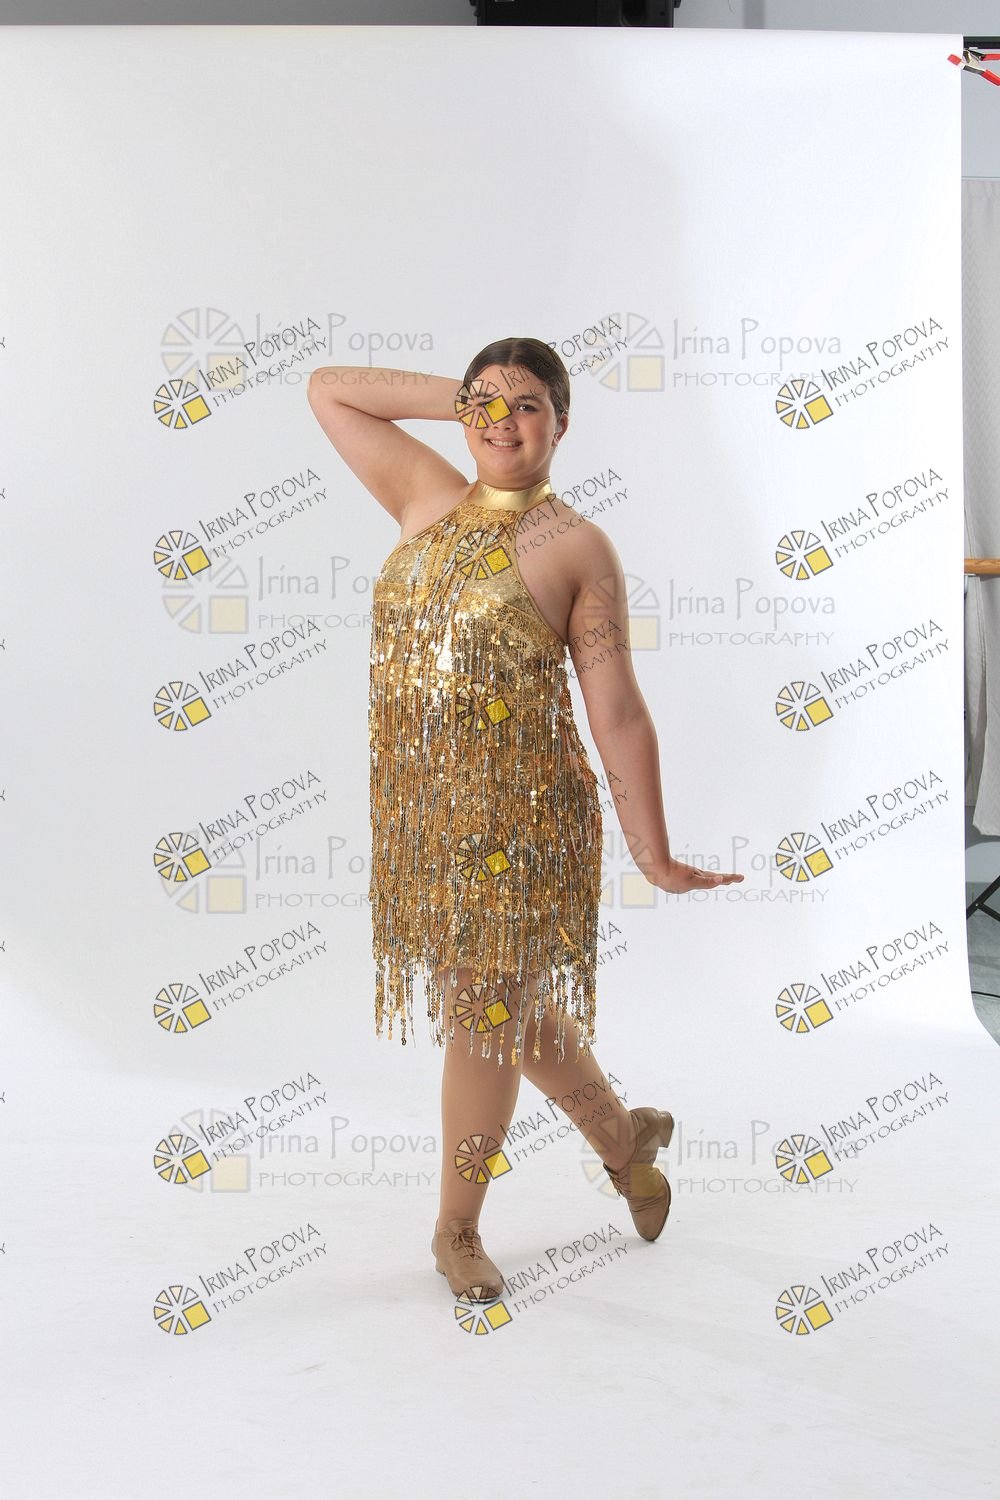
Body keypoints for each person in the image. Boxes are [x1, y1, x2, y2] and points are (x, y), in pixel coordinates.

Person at [307, 337, 742, 1303]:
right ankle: (625, 1141)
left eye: (528, 405)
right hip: (423, 814)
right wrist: (466, 398)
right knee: (505, 1010)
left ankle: (456, 1228)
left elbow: (617, 712)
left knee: (484, 1010)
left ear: (563, 423)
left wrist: (655, 852)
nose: (502, 423)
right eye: (487, 405)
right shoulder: (425, 493)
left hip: (524, 816)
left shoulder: (578, 547)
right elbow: (330, 390)